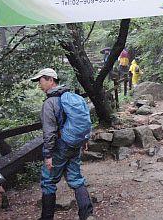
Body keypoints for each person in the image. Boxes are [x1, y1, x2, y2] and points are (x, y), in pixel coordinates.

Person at [30, 68, 93, 220]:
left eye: (41, 81)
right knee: (76, 179)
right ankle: (87, 215)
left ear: (51, 80)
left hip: (60, 146)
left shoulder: (50, 103)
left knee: (48, 181)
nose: (39, 85)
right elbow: (84, 120)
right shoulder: (71, 96)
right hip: (74, 144)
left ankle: (47, 217)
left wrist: (48, 154)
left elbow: (50, 132)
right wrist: (84, 140)